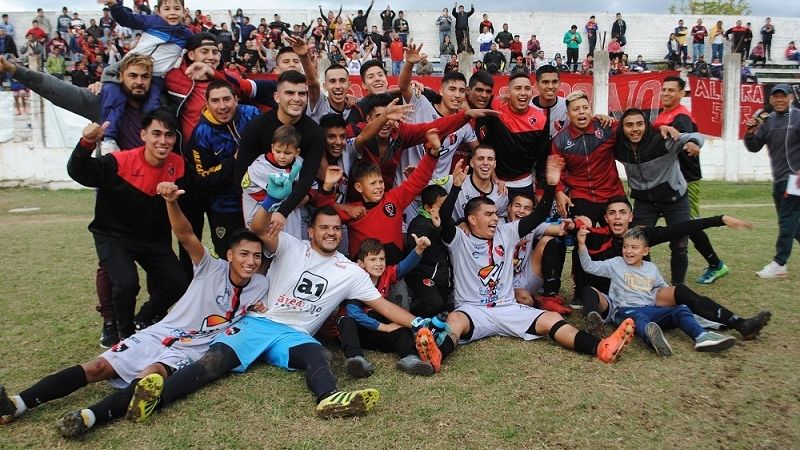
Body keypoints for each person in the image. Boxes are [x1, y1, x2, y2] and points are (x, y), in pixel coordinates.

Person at [123, 200, 431, 421]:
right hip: (259, 322)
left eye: (336, 229)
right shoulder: (290, 245)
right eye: (324, 227)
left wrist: (418, 321)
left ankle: (329, 400)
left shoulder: (350, 271)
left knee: (317, 355)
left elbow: (384, 305)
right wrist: (271, 200)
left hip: (294, 335)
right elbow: (257, 227)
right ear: (312, 231)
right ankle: (156, 400)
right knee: (213, 364)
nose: (331, 233)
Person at [0, 186, 269, 436]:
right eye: (244, 254)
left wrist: (259, 308)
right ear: (230, 255)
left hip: (192, 348)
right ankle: (17, 403)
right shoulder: (211, 267)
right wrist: (171, 202)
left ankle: (89, 417)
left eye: (256, 256)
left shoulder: (259, 285)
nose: (251, 261)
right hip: (159, 332)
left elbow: (261, 311)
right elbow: (185, 234)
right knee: (97, 367)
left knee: (150, 377)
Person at [414, 154, 636, 374]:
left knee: (551, 318)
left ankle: (601, 347)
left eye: (495, 214)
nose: (495, 219)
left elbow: (539, 215)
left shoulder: (507, 232)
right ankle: (437, 354)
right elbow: (444, 217)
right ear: (472, 219)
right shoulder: (458, 239)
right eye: (489, 215)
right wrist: (455, 188)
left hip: (507, 307)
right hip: (473, 310)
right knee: (455, 319)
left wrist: (550, 185)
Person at [67, 108, 190, 339]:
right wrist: (86, 143)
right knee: (126, 284)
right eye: (156, 134)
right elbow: (79, 172)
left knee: (178, 282)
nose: (163, 140)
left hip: (153, 239)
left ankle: (144, 318)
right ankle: (124, 336)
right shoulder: (119, 161)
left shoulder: (178, 165)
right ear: (143, 135)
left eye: (169, 134)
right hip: (114, 236)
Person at [574, 196, 771, 341]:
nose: (617, 218)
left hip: (644, 294)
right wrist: (575, 222)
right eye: (612, 213)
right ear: (606, 218)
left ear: (630, 217)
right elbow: (569, 233)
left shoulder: (644, 235)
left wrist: (720, 220)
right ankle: (594, 324)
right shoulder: (595, 235)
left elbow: (681, 228)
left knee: (680, 291)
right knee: (589, 292)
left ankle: (740, 324)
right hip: (614, 301)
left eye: (622, 212)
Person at [576, 227, 736, 356]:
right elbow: (589, 266)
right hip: (624, 310)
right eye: (625, 247)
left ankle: (701, 336)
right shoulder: (615, 264)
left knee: (681, 309)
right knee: (638, 318)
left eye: (634, 247)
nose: (628, 251)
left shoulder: (651, 268)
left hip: (650, 308)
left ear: (645, 251)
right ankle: (651, 336)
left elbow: (663, 288)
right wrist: (582, 245)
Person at [652, 76, 730, 285]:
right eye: (664, 90)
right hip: (668, 180)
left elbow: (687, 143)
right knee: (686, 225)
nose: (666, 93)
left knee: (690, 224)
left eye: (671, 90)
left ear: (681, 94)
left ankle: (716, 264)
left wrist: (693, 143)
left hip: (685, 179)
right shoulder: (666, 114)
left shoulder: (681, 117)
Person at [98, 0, 193, 153]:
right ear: (158, 11)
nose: (172, 12)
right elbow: (126, 19)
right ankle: (109, 140)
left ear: (184, 11)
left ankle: (152, 141)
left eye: (177, 8)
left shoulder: (186, 34)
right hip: (129, 66)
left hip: (155, 76)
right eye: (167, 9)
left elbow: (197, 49)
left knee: (153, 106)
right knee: (114, 96)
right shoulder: (152, 21)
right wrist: (115, 6)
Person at [334, 237, 436, 378]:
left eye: (382, 259)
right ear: (361, 264)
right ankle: (357, 360)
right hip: (356, 330)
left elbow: (404, 266)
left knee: (401, 327)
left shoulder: (386, 274)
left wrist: (419, 249)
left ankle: (410, 359)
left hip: (375, 329)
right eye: (373, 259)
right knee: (345, 321)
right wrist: (385, 327)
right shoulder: (355, 279)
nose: (379, 264)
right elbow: (354, 313)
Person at [744, 84, 800, 278]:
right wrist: (750, 132)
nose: (779, 100)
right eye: (775, 97)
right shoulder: (767, 121)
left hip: (795, 178)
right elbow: (754, 147)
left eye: (782, 96)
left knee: (787, 220)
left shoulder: (798, 117)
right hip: (779, 180)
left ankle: (780, 263)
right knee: (792, 222)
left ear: (790, 98)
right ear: (770, 100)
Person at [405, 185, 451, 316]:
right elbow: (414, 246)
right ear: (428, 208)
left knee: (442, 307)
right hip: (421, 275)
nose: (446, 208)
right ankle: (409, 317)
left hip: (439, 276)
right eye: (442, 205)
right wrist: (436, 229)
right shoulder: (419, 223)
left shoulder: (445, 219)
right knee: (435, 303)